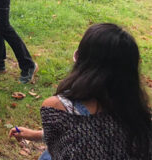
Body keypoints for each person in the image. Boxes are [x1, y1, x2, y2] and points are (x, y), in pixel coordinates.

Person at [9, 23, 152, 159]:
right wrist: (34, 135)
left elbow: (65, 139)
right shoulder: (139, 118)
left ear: (81, 60)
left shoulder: (57, 108)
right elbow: (84, 135)